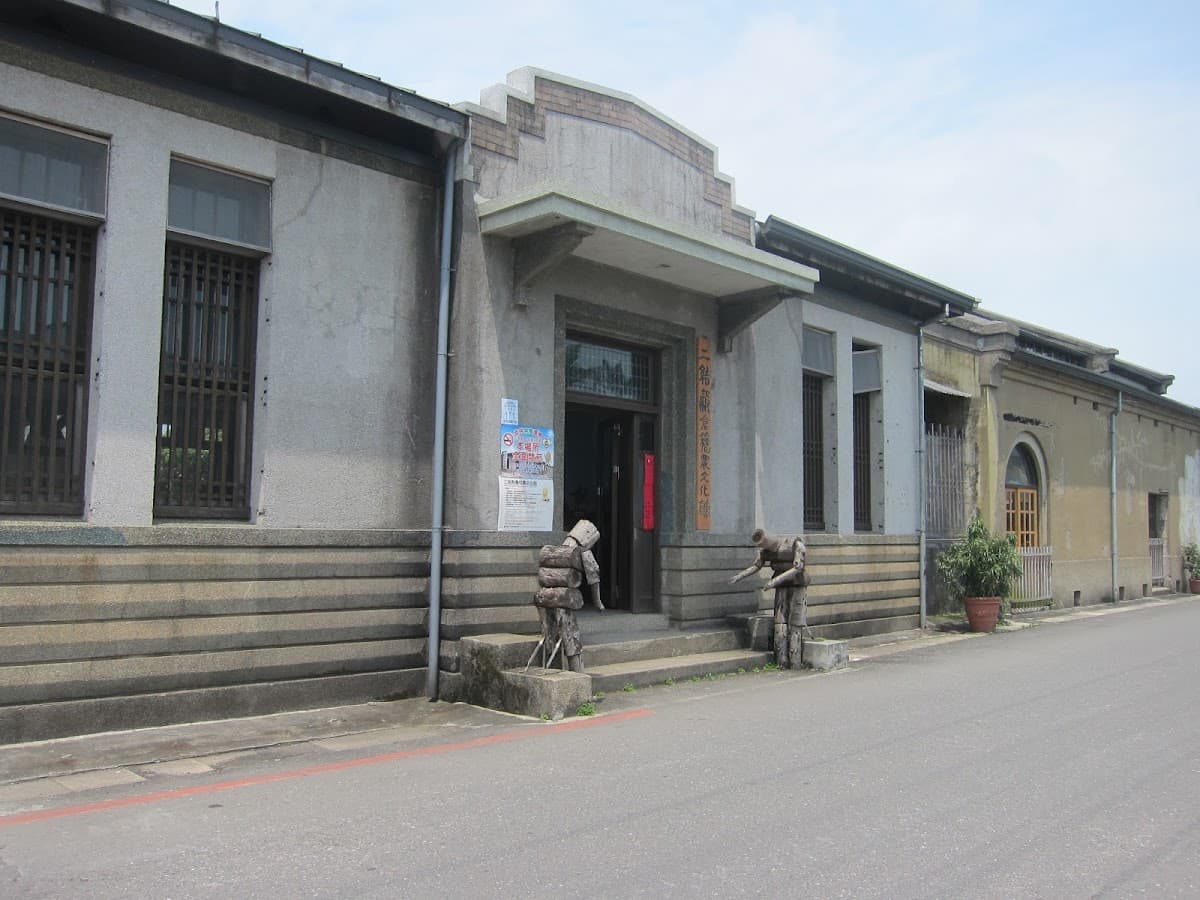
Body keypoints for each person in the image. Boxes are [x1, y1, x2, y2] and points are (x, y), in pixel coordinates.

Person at [729, 528, 808, 668]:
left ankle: (795, 660)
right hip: (780, 585)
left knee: (795, 622)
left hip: (797, 584)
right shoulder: (765, 551)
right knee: (780, 622)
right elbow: (757, 565)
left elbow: (798, 567)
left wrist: (774, 581)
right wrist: (740, 576)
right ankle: (781, 660)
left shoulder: (795, 544)